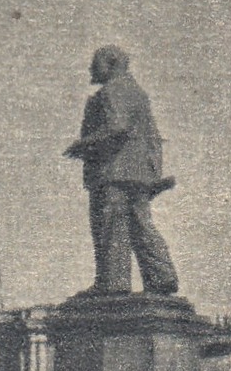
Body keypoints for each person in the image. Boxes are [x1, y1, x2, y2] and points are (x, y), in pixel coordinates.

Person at [64, 46, 178, 295]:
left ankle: (113, 283)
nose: (91, 69)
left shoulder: (112, 91)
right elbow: (152, 138)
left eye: (95, 64)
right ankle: (161, 276)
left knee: (111, 226)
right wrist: (153, 175)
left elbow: (118, 128)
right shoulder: (138, 93)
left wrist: (82, 145)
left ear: (112, 64)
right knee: (139, 224)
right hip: (137, 174)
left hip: (113, 172)